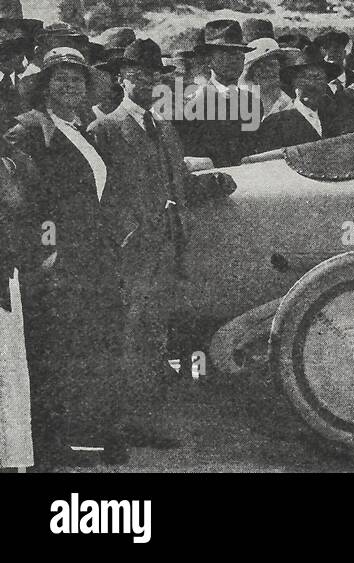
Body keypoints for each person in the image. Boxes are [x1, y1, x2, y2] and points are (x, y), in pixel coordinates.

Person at [90, 38, 237, 452]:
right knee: (132, 338)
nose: (146, 82)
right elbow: (102, 197)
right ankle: (126, 424)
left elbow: (176, 183)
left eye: (154, 76)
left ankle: (144, 420)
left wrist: (212, 184)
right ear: (121, 78)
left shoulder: (165, 127)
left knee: (155, 337)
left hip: (170, 249)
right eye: (137, 74)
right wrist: (128, 235)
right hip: (133, 253)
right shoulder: (105, 129)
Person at [6, 48, 126, 468]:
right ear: (44, 86)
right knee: (49, 350)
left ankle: (67, 439)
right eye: (60, 78)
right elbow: (23, 198)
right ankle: (43, 448)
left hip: (90, 256)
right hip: (55, 259)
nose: (70, 85)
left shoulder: (83, 131)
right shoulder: (31, 130)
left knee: (77, 348)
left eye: (77, 78)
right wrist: (47, 248)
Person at [173, 19, 257, 167]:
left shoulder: (252, 103)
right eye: (226, 52)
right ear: (208, 60)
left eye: (239, 52)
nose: (235, 58)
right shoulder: (191, 105)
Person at [253, 46, 342, 151]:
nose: (311, 84)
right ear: (294, 82)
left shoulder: (335, 114)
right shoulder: (275, 123)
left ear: (325, 83)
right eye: (305, 78)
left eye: (318, 78)